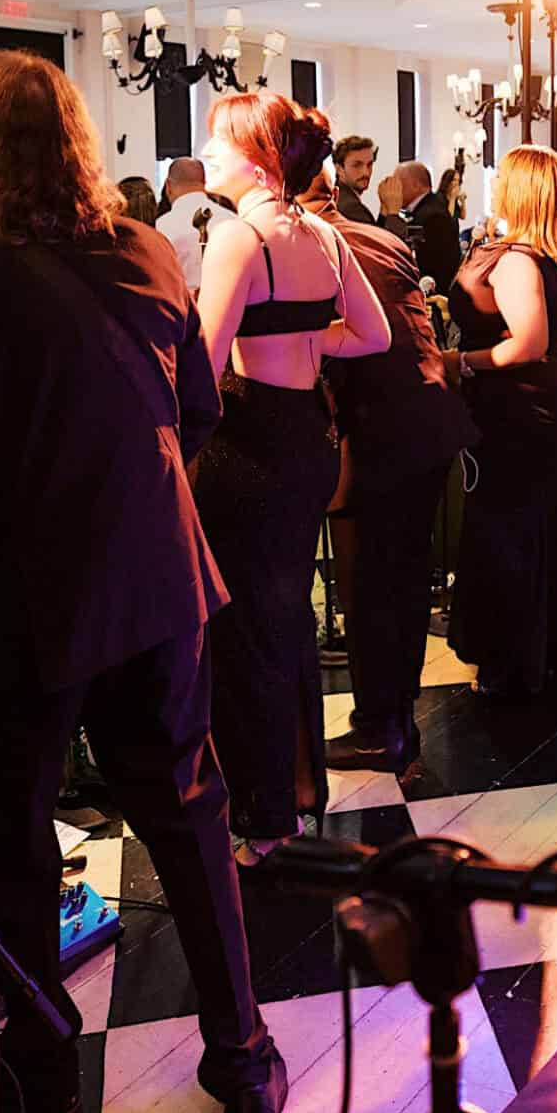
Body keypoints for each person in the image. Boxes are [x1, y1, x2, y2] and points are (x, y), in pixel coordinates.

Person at [0, 51, 290, 1113]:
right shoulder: (146, 252)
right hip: (161, 572)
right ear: (79, 139)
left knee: (20, 825)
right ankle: (243, 1057)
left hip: (32, 595)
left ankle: (38, 1067)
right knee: (187, 810)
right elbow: (200, 411)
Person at [194, 93, 391, 848]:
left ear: (257, 157)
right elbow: (371, 336)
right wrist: (308, 339)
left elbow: (203, 371)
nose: (207, 152)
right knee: (287, 617)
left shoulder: (238, 238)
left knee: (247, 630)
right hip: (309, 436)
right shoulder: (321, 234)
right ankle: (301, 787)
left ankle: (266, 814)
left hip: (248, 449)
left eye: (219, 140)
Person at [305, 167, 477, 774]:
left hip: (384, 434)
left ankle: (382, 728)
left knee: (373, 589)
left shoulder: (317, 247)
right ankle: (390, 720)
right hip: (427, 424)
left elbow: (346, 355)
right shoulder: (377, 235)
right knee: (398, 585)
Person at [447, 146, 557, 698]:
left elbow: (526, 344)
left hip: (518, 409)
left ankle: (512, 661)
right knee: (531, 523)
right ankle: (535, 649)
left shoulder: (516, 260)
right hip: (530, 410)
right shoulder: (533, 255)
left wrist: (460, 362)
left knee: (508, 527)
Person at [393, 159, 462, 291]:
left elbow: (434, 264)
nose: (394, 190)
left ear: (414, 185)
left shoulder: (432, 215)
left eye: (397, 184)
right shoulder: (427, 208)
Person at [155, 156, 217, 291]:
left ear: (168, 186)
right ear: (204, 182)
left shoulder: (163, 225)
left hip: (182, 306)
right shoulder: (230, 218)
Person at [331, 135, 378, 224]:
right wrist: (392, 211)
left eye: (369, 164)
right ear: (339, 169)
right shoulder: (351, 208)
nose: (366, 172)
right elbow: (379, 238)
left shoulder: (338, 196)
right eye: (357, 165)